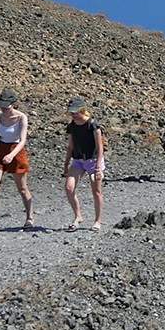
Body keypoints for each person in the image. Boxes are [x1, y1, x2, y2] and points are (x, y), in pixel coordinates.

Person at [0, 87, 34, 233]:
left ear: (13, 104)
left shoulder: (22, 117)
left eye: (6, 107)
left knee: (22, 188)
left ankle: (29, 217)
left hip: (16, 151)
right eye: (1, 106)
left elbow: (22, 140)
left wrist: (11, 155)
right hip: (0, 150)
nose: (3, 109)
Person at [62, 96, 105, 231]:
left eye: (75, 112)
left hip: (93, 160)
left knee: (96, 191)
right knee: (69, 187)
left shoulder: (93, 124)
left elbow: (100, 147)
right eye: (71, 112)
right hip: (78, 160)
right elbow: (70, 146)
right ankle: (78, 216)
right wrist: (66, 164)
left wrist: (98, 167)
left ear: (82, 110)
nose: (72, 114)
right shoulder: (72, 126)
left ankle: (97, 221)